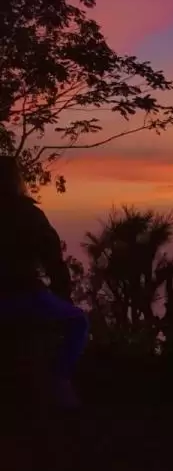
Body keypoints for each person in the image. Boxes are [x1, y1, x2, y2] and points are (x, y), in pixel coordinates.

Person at [0, 156, 87, 408]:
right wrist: (63, 296)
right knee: (77, 321)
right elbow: (54, 262)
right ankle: (59, 380)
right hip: (24, 297)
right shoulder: (30, 215)